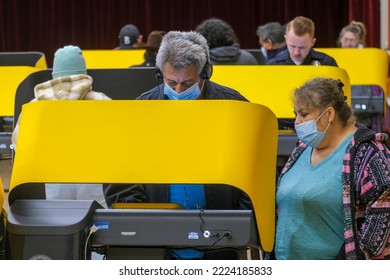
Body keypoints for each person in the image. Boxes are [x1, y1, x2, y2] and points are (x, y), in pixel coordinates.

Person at [105, 31, 252, 260]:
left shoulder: (234, 107)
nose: (179, 90)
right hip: (157, 241)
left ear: (205, 73)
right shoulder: (141, 110)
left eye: (188, 83)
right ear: (160, 73)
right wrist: (138, 220)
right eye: (171, 82)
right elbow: (120, 173)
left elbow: (254, 167)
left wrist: (242, 220)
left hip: (221, 242)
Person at [275, 77, 390, 260]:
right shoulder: (303, 148)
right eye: (295, 114)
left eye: (304, 114)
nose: (297, 122)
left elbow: (382, 218)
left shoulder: (369, 153)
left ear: (329, 114)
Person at [11, 45, 111, 208]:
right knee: (95, 222)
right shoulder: (102, 102)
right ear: (83, 72)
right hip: (93, 178)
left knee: (59, 219)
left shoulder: (35, 107)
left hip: (52, 179)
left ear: (54, 74)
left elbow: (18, 144)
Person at [267, 16, 338, 66]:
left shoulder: (327, 63)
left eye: (302, 48)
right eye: (292, 46)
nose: (296, 52)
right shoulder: (274, 65)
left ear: (312, 42)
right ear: (286, 39)